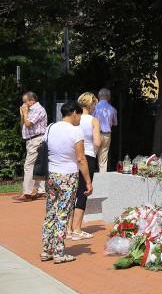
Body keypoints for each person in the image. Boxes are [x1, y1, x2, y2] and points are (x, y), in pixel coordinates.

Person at [39, 101, 93, 264]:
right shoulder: (76, 132)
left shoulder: (50, 127)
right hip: (68, 176)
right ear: (74, 113)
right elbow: (81, 158)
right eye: (79, 116)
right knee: (63, 214)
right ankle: (59, 252)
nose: (80, 120)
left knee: (50, 212)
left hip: (51, 175)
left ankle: (46, 250)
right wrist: (88, 182)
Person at [66, 92, 101, 240]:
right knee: (84, 192)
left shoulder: (74, 119)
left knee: (71, 192)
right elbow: (98, 142)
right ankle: (78, 228)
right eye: (94, 104)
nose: (95, 108)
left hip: (73, 156)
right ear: (90, 104)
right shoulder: (94, 120)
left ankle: (68, 229)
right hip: (88, 156)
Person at [13, 91, 48, 202]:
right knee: (37, 165)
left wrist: (25, 112)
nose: (24, 105)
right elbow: (23, 125)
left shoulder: (38, 109)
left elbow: (29, 124)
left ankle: (27, 193)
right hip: (30, 140)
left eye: (25, 102)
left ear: (32, 101)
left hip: (36, 139)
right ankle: (41, 191)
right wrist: (22, 115)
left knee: (29, 165)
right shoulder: (30, 110)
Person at [93, 88, 117, 172]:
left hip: (95, 134)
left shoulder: (94, 107)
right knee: (103, 159)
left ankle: (89, 178)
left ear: (99, 96)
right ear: (109, 97)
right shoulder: (112, 109)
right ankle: (102, 181)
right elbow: (115, 123)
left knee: (92, 155)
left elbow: (91, 120)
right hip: (107, 135)